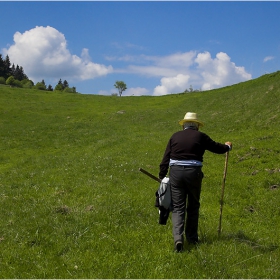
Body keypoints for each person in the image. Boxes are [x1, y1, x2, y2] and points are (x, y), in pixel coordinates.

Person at [158, 112, 232, 252]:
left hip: (176, 174)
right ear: (197, 126)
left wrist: (162, 176)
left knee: (178, 208)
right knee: (193, 206)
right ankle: (192, 239)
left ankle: (178, 240)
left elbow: (165, 158)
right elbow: (216, 148)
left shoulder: (174, 136)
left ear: (183, 126)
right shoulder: (200, 136)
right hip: (194, 173)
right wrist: (227, 147)